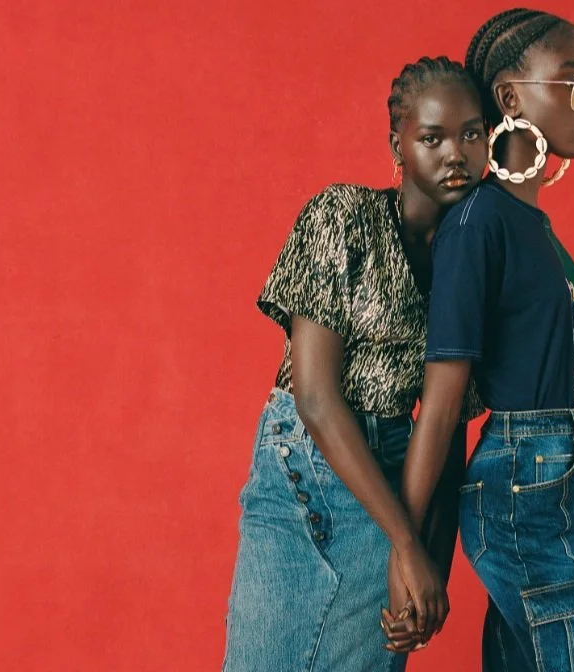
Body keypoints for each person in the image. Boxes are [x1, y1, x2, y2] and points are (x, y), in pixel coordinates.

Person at [384, 9, 574, 671]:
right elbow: (442, 404)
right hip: (524, 485)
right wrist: (406, 553)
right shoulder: (478, 224)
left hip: (556, 485)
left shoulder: (526, 221)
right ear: (510, 98)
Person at [222, 56, 488, 672]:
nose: (455, 153)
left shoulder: (469, 261)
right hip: (308, 474)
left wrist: (430, 563)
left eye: (471, 134)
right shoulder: (343, 216)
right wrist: (406, 545)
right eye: (432, 138)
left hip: (401, 483)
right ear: (398, 145)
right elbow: (314, 396)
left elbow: (448, 425)